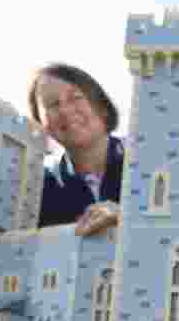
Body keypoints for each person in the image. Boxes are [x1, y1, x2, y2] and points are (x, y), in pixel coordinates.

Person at [27, 63, 123, 235]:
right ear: (41, 125)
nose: (64, 110)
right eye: (52, 104)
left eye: (75, 97)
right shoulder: (37, 191)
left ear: (102, 107)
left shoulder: (150, 164)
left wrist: (128, 218)